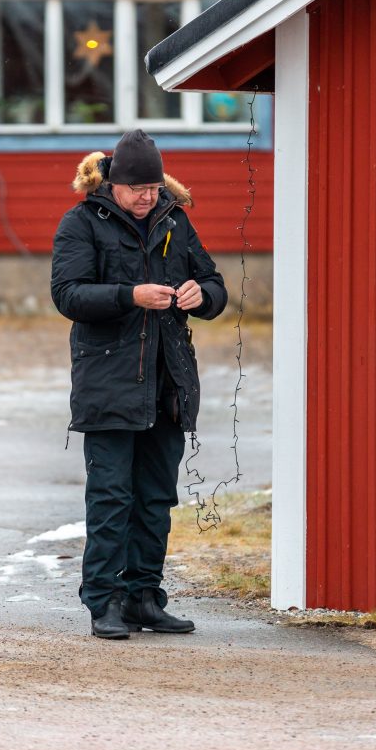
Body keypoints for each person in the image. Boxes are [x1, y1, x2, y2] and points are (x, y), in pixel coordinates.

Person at [50, 129, 227, 639]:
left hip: (167, 383)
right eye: (137, 189)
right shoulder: (81, 223)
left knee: (154, 498)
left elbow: (213, 282)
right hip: (108, 381)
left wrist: (203, 296)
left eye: (153, 187)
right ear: (114, 185)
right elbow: (68, 295)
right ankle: (104, 601)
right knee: (111, 497)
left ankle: (144, 597)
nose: (147, 197)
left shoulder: (175, 219)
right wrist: (130, 295)